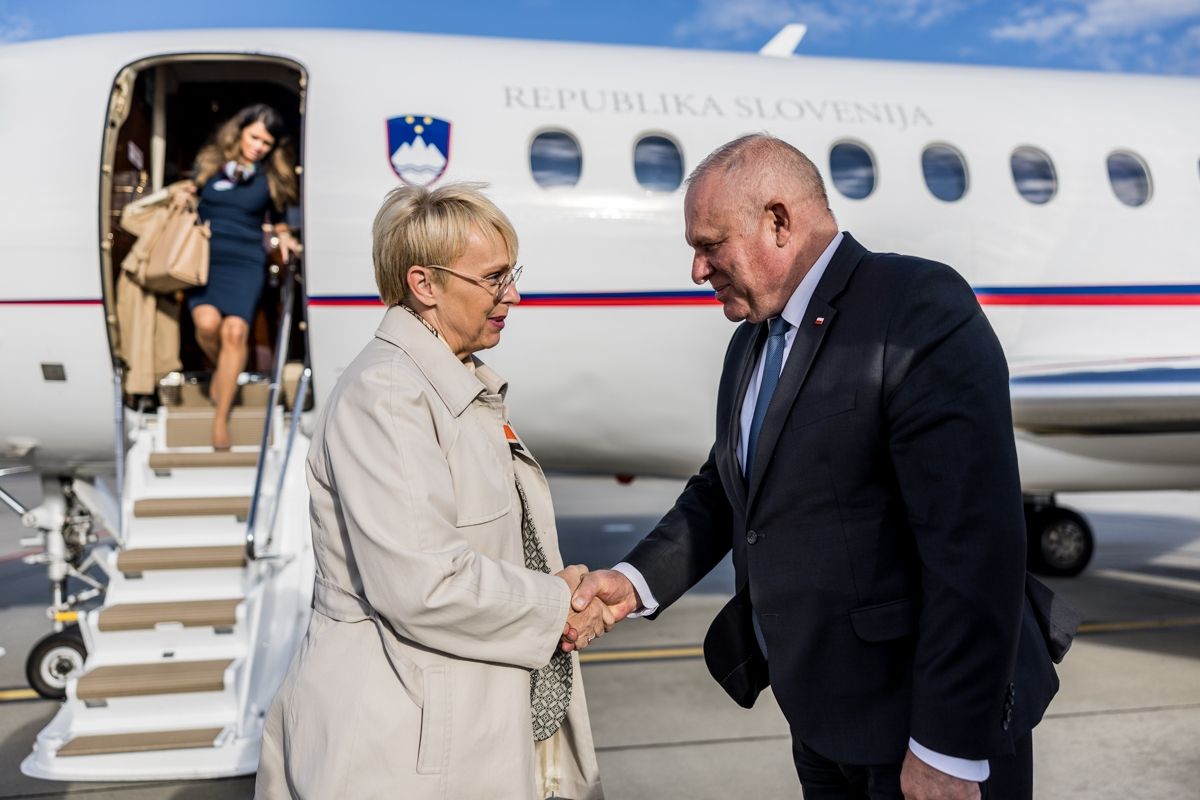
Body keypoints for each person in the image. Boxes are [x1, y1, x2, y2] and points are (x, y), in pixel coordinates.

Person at [571, 134, 1065, 799]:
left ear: (778, 221)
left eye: (710, 245)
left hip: (921, 732)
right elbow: (727, 488)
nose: (697, 269)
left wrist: (947, 748)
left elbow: (975, 543)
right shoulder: (752, 342)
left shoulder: (916, 307)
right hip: (822, 723)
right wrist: (634, 583)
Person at [255, 183, 607, 800]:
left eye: (511, 274)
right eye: (493, 278)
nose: (513, 295)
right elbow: (424, 583)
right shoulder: (390, 394)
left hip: (452, 730)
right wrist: (559, 604)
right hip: (398, 749)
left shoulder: (453, 381)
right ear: (424, 284)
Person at [171, 104, 300, 449]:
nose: (258, 147)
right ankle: (224, 371)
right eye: (254, 137)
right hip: (206, 258)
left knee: (235, 331)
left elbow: (279, 220)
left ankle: (220, 417)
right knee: (207, 325)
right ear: (240, 131)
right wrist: (181, 193)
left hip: (246, 261)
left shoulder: (271, 177)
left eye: (266, 143)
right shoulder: (209, 164)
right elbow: (190, 195)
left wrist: (286, 238)